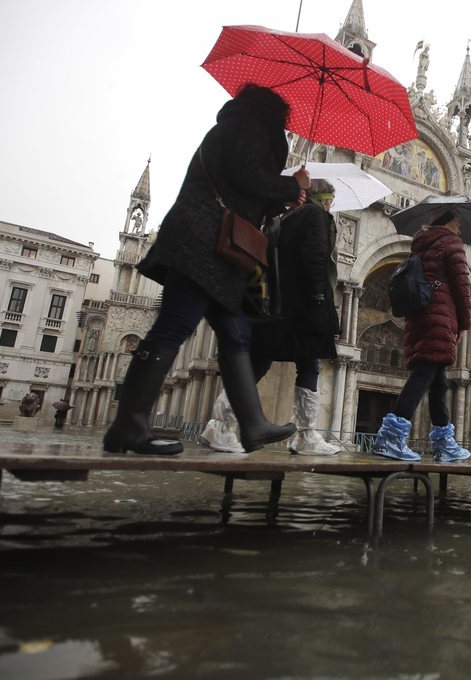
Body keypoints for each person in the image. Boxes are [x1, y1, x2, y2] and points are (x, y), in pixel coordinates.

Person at [103, 84, 309, 456]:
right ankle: (129, 425)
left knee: (236, 333)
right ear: (271, 112)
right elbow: (250, 178)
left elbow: (245, 193)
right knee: (175, 326)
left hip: (215, 245)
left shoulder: (238, 125)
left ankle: (252, 423)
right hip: (204, 241)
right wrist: (289, 185)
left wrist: (285, 196)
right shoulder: (246, 126)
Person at [201, 179, 343, 456]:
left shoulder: (284, 219)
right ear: (324, 200)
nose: (331, 206)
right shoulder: (316, 215)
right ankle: (305, 436)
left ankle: (219, 424)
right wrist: (318, 297)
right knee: (309, 365)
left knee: (261, 362)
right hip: (304, 305)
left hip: (277, 304)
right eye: (331, 201)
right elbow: (315, 257)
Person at [371, 208, 471, 462]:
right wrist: (464, 323)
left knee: (438, 382)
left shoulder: (421, 244)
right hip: (440, 315)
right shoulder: (452, 243)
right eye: (457, 222)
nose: (460, 227)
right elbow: (461, 286)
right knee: (424, 374)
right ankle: (390, 438)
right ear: (448, 222)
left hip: (420, 314)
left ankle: (444, 444)